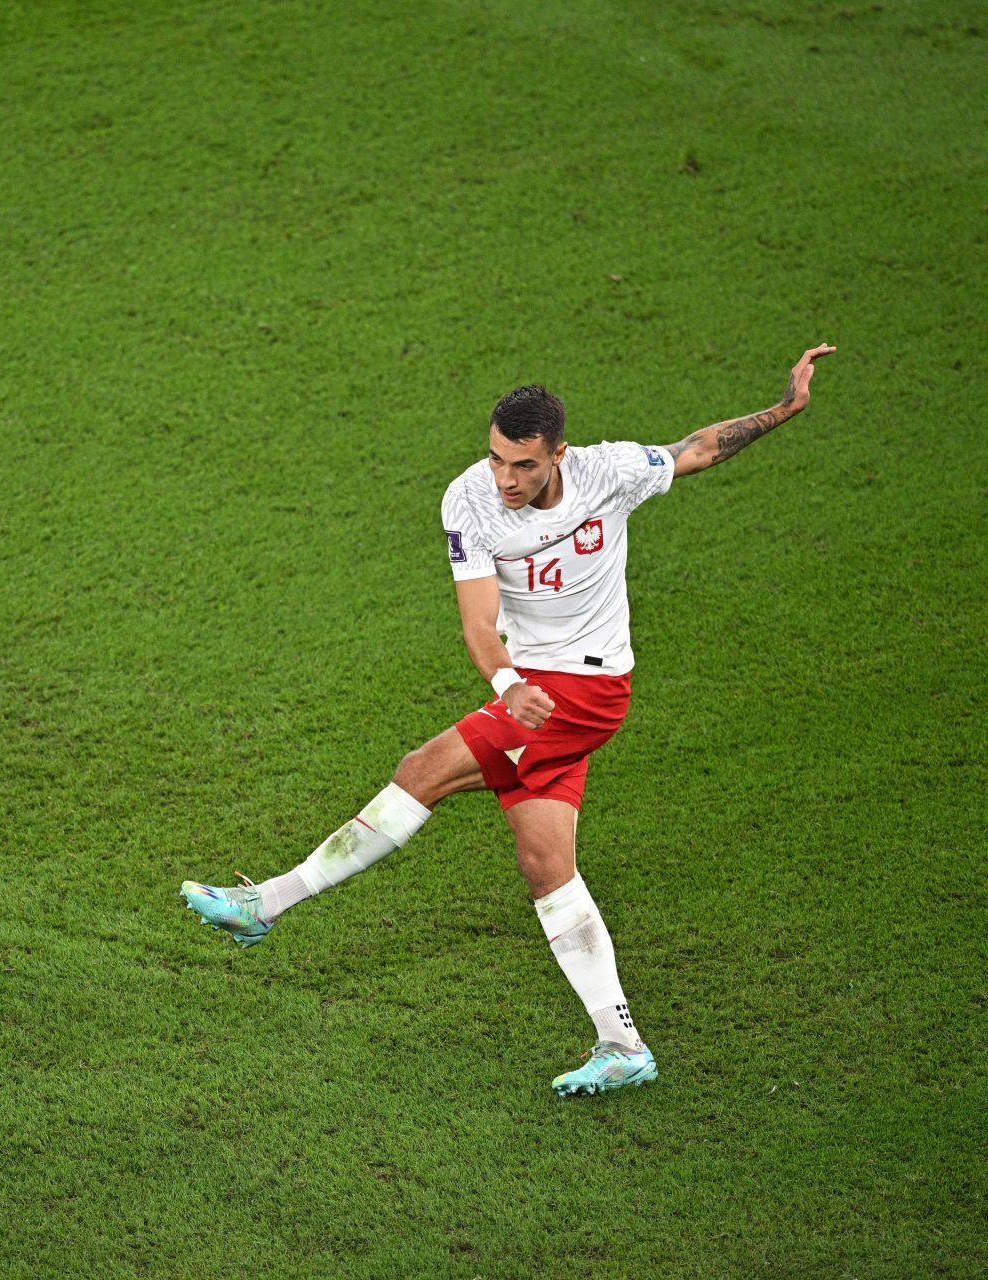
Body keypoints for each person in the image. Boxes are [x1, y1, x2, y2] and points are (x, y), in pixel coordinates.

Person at [182, 344, 836, 1095]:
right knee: (545, 867)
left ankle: (264, 904)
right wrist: (505, 679)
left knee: (420, 772)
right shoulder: (468, 499)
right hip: (528, 688)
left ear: (559, 454)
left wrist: (782, 408)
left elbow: (696, 450)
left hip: (588, 689)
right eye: (496, 459)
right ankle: (622, 1043)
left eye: (524, 465)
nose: (506, 479)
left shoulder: (609, 473)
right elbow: (478, 622)